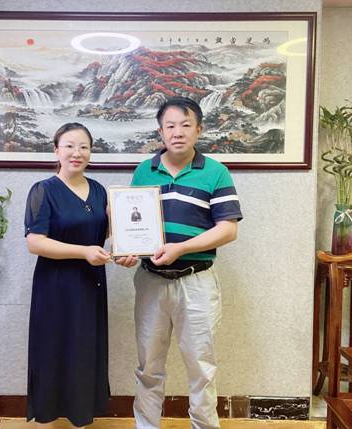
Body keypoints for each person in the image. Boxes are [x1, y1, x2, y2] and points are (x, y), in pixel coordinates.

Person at [117, 97, 242, 429]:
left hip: (196, 282)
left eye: (186, 125)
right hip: (151, 281)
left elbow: (228, 230)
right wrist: (128, 251)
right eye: (170, 126)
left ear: (198, 130)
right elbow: (132, 224)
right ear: (160, 132)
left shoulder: (215, 172)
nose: (177, 132)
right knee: (148, 366)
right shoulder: (144, 171)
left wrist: (181, 248)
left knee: (201, 367)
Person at [24, 123, 111, 429]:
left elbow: (106, 233)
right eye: (70, 146)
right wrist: (83, 251)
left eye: (84, 147)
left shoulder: (99, 191)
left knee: (85, 349)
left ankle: (81, 417)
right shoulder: (43, 190)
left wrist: (127, 249)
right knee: (56, 347)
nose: (77, 153)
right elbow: (35, 242)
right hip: (56, 285)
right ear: (56, 151)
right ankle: (51, 414)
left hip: (91, 282)